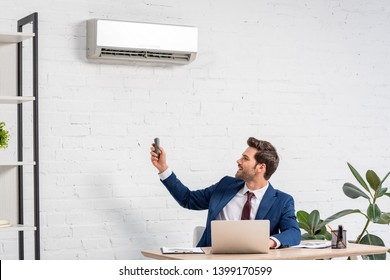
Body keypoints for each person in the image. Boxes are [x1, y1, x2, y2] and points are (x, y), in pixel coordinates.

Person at [150, 137, 301, 248]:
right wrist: (163, 168)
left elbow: (293, 232)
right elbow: (188, 199)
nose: (238, 161)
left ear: (261, 168)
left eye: (245, 158)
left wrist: (268, 242)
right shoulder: (226, 186)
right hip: (211, 264)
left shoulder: (282, 201)